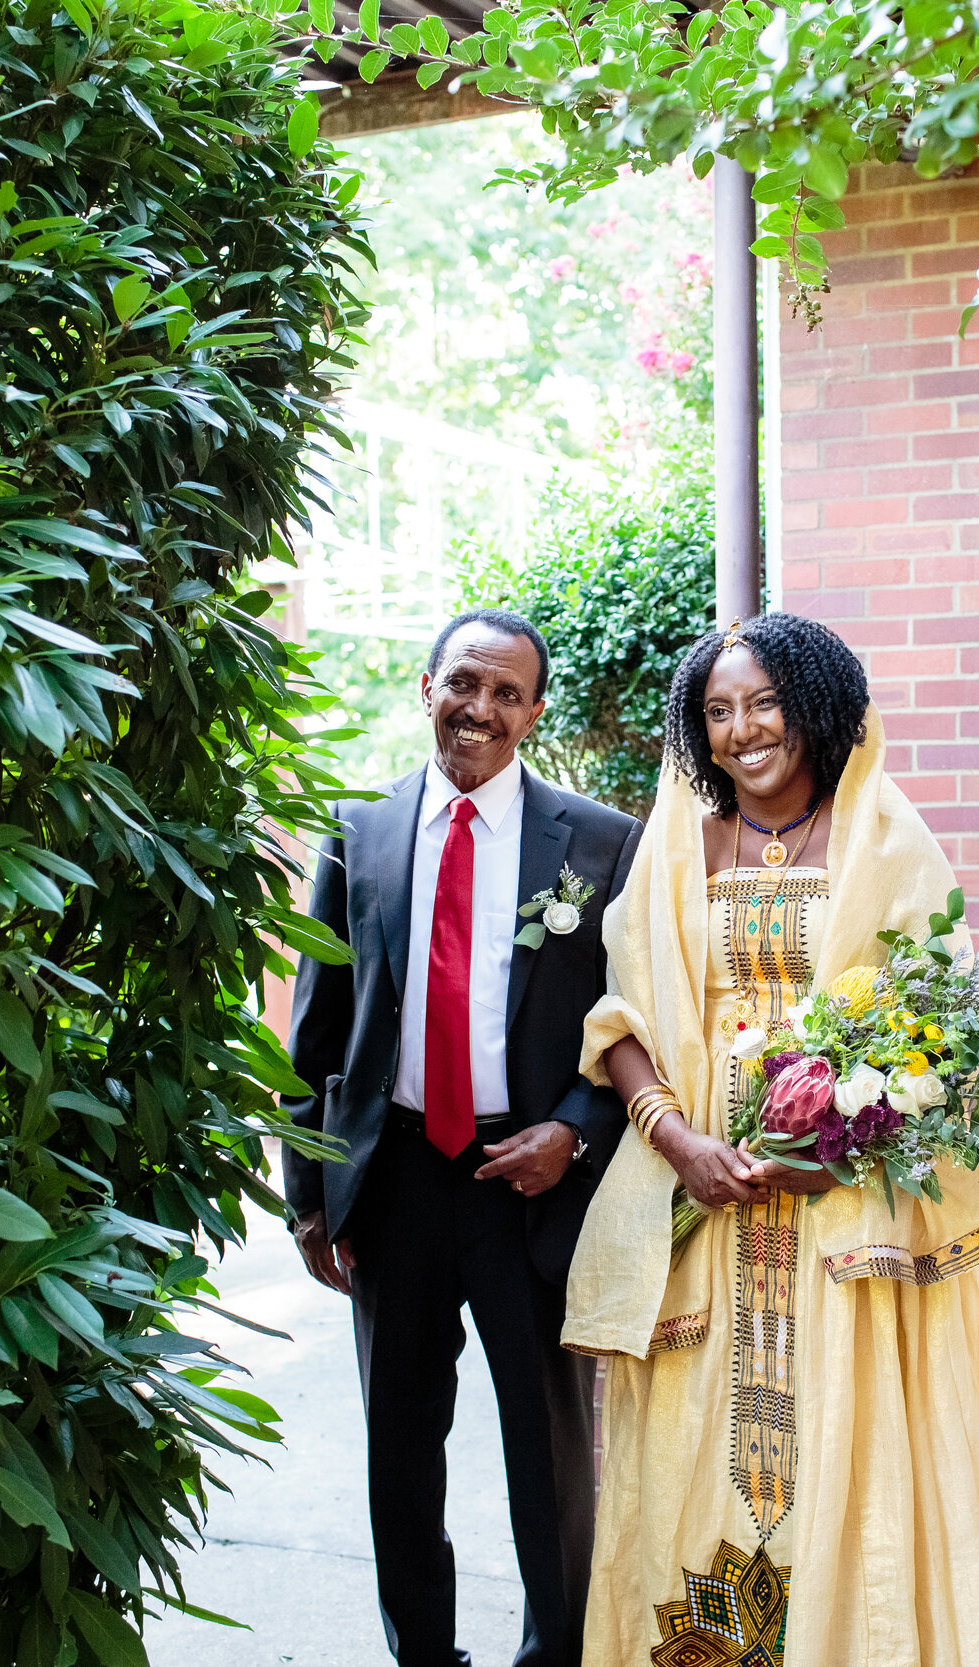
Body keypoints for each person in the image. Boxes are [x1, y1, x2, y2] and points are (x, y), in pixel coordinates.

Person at [561, 612, 979, 1667]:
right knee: (693, 1445)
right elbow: (620, 1020)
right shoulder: (679, 841)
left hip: (840, 1210)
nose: (742, 730)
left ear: (812, 707)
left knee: (839, 1441)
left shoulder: (884, 836)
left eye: (764, 702)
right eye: (717, 711)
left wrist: (838, 1130)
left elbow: (934, 1021)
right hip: (703, 1215)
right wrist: (676, 1137)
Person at [283, 607, 643, 1667]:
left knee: (548, 1450)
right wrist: (308, 1193)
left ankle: (554, 1654)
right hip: (393, 1178)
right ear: (426, 685)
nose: (478, 708)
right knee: (398, 1449)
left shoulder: (598, 842)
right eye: (462, 684)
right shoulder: (359, 831)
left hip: (526, 1185)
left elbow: (636, 1023)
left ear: (534, 711)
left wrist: (572, 1137)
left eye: (504, 692)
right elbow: (312, 1030)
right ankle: (425, 1656)